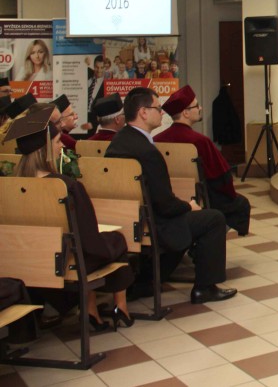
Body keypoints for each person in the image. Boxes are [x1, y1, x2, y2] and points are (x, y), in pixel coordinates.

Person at [5, 106, 134, 331]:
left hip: (24, 262)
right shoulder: (66, 187)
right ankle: (118, 307)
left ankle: (91, 310)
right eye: (57, 142)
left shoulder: (9, 187)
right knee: (117, 240)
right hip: (66, 262)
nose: (62, 146)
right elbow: (89, 240)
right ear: (46, 148)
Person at [105, 87, 235, 304]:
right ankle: (205, 287)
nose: (162, 113)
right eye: (158, 108)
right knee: (213, 219)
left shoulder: (118, 142)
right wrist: (188, 206)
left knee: (189, 217)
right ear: (143, 112)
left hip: (126, 217)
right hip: (155, 222)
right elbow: (165, 205)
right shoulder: (147, 152)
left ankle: (147, 281)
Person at [154, 85, 250, 236]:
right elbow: (222, 177)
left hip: (168, 195)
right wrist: (231, 195)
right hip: (201, 196)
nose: (200, 108)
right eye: (196, 105)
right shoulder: (200, 141)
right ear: (185, 112)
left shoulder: (157, 140)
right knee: (241, 204)